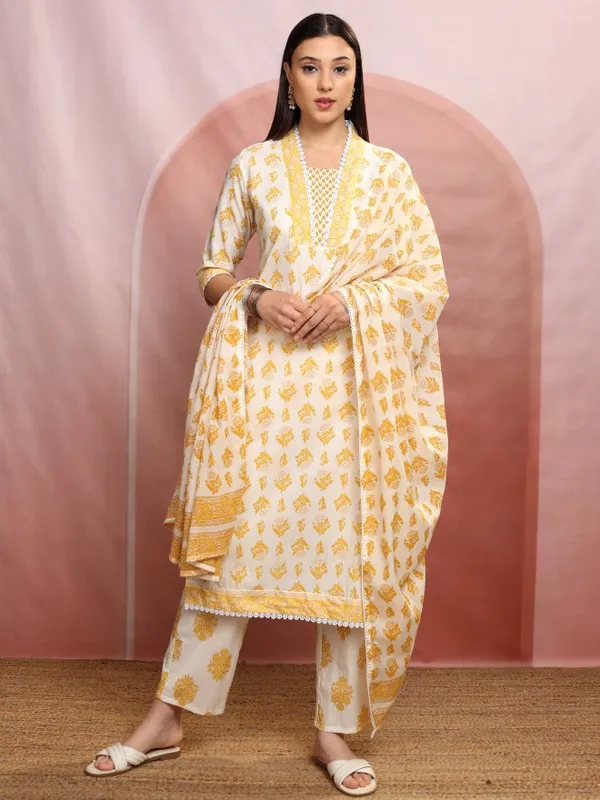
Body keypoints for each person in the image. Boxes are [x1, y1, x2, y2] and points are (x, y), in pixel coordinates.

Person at [85, 12, 449, 796]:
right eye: (310, 67)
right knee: (228, 553)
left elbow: (427, 281)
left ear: (357, 77)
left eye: (340, 67)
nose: (326, 83)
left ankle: (334, 731)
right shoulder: (254, 165)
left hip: (356, 396)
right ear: (288, 76)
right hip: (265, 392)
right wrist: (256, 296)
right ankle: (167, 718)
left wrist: (354, 305)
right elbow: (211, 271)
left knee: (351, 559)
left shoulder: (388, 173)